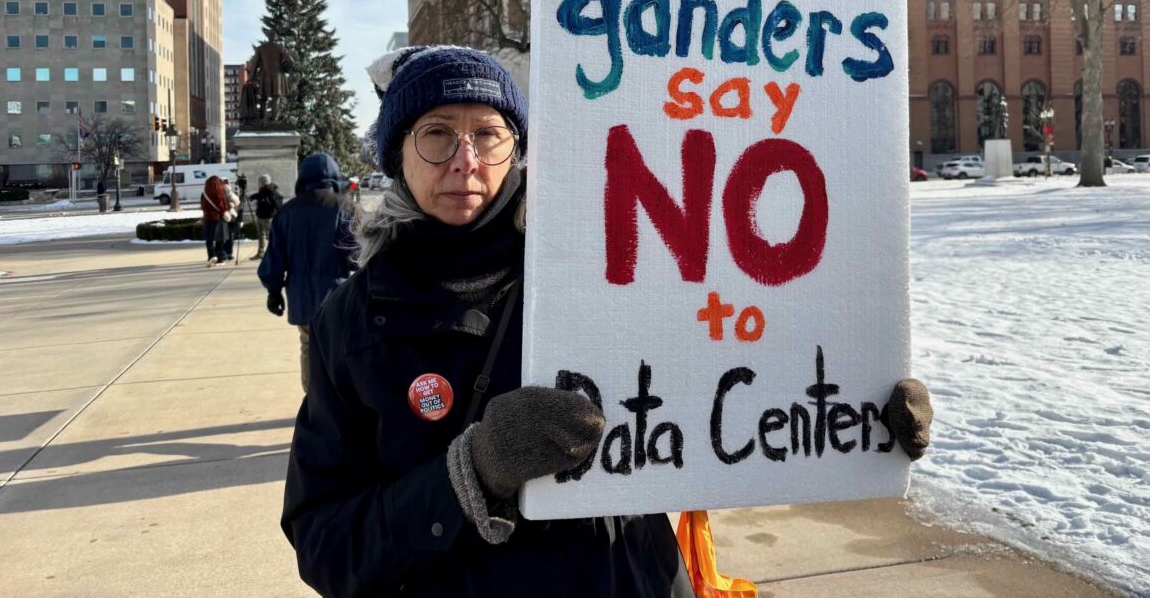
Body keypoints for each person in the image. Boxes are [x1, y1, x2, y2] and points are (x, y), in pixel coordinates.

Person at [279, 44, 937, 597]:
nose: (465, 160)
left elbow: (724, 386)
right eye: (437, 133)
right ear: (399, 152)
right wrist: (470, 475)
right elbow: (325, 543)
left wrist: (854, 413)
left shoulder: (611, 269)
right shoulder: (354, 321)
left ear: (517, 149)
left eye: (488, 133)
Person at [258, 152, 356, 393]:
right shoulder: (345, 208)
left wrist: (274, 291)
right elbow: (360, 255)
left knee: (308, 346)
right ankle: (340, 402)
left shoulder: (286, 212)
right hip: (338, 297)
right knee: (339, 349)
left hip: (302, 297)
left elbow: (274, 258)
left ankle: (314, 401)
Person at [248, 173, 282, 260]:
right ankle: (261, 253)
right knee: (260, 235)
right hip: (260, 215)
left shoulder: (272, 192)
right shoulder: (263, 191)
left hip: (268, 217)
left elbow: (277, 204)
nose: (259, 184)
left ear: (264, 183)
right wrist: (252, 197)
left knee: (270, 236)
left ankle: (274, 253)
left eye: (260, 182)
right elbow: (260, 195)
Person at [200, 175, 230, 267]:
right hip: (219, 218)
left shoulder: (204, 194)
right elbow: (223, 207)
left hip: (208, 218)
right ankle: (220, 259)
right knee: (220, 239)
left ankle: (211, 256)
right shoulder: (220, 193)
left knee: (209, 239)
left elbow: (202, 206)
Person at [222, 178, 241, 262]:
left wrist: (230, 195)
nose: (225, 184)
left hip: (229, 216)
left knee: (229, 235)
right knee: (226, 236)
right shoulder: (220, 192)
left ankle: (227, 253)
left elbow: (236, 201)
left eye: (226, 182)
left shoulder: (229, 192)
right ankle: (225, 253)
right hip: (224, 215)